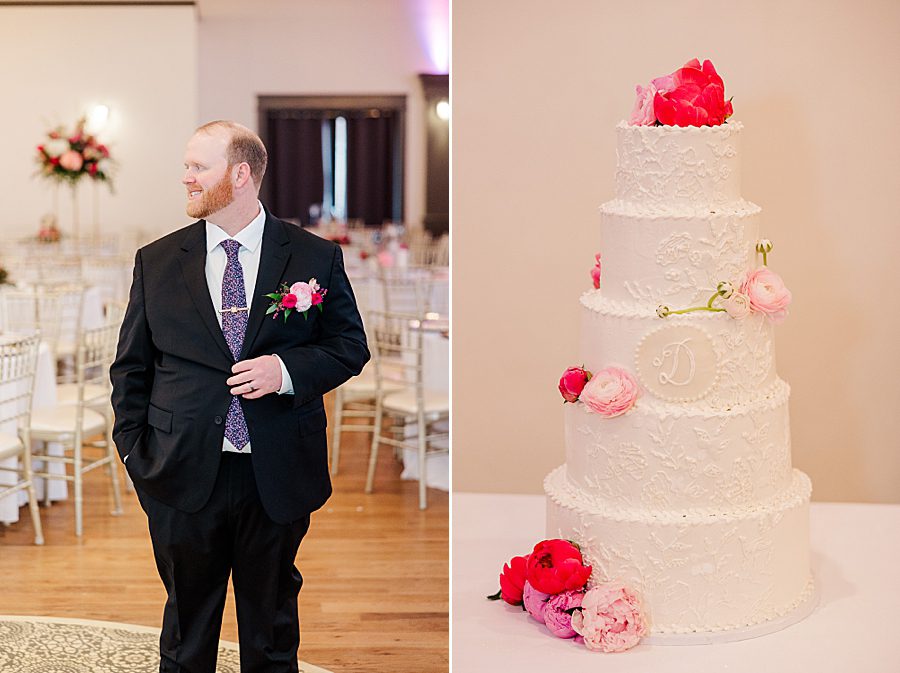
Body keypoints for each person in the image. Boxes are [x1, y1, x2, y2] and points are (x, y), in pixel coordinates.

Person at [110, 120, 369, 673]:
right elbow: (131, 368)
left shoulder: (312, 257)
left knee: (272, 627)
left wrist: (286, 369)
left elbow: (350, 346)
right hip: (179, 472)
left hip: (275, 470)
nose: (186, 178)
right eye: (187, 166)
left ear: (241, 174)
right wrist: (135, 453)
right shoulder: (156, 261)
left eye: (199, 167)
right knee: (186, 629)